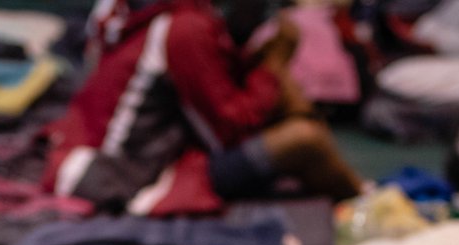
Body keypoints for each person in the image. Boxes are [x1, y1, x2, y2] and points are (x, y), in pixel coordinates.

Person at [42, 0, 363, 216]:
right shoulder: (184, 27)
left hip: (130, 150)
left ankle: (356, 197)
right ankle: (364, 203)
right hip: (125, 177)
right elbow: (229, 131)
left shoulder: (175, 12)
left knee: (290, 110)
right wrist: (273, 65)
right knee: (304, 140)